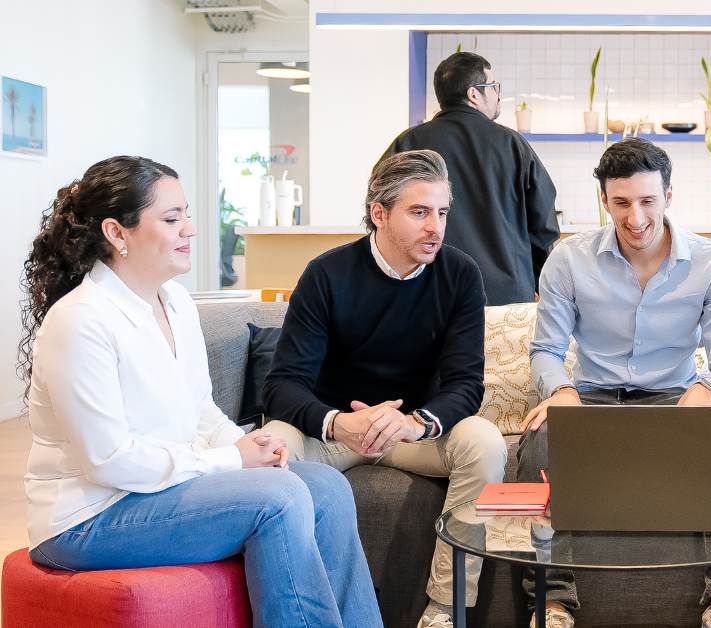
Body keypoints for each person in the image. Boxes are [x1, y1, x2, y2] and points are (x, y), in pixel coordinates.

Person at [20, 156, 382, 628]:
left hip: (159, 491)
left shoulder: (175, 303)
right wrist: (231, 461)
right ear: (116, 232)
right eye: (172, 219)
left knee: (327, 487)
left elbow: (200, 410)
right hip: (89, 517)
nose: (190, 229)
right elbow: (108, 461)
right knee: (278, 497)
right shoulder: (80, 321)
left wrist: (250, 444)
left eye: (186, 215)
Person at [261, 150, 508, 628]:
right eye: (419, 212)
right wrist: (338, 423)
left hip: (412, 432)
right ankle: (305, 611)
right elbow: (283, 385)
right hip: (334, 432)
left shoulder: (459, 274)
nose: (435, 228)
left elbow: (465, 384)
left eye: (442, 212)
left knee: (485, 442)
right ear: (379, 213)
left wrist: (416, 423)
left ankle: (445, 609)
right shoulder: (326, 274)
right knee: (272, 445)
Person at [520, 138, 711, 628]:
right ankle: (552, 603)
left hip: (674, 398)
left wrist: (707, 390)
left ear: (669, 196)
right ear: (605, 200)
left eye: (647, 201)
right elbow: (546, 351)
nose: (635, 217)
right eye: (621, 202)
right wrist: (561, 391)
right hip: (590, 396)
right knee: (539, 440)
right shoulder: (569, 259)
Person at [377, 51, 559, 305]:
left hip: (425, 295)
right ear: (474, 94)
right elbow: (542, 227)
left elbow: (380, 218)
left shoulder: (407, 144)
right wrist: (540, 282)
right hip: (504, 298)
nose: (497, 95)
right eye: (494, 86)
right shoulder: (512, 145)